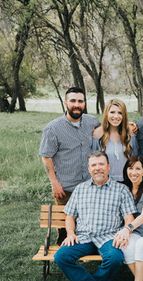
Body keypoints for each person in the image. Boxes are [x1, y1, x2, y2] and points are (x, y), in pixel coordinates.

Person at [54, 151, 137, 281]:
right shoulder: (80, 189)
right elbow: (70, 216)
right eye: (94, 165)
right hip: (83, 237)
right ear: (89, 168)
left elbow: (129, 217)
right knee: (61, 256)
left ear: (108, 167)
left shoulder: (120, 190)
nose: (97, 168)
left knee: (115, 258)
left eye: (101, 164)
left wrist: (126, 231)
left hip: (108, 236)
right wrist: (71, 233)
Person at [39, 87, 100, 244]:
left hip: (89, 186)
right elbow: (46, 157)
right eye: (73, 101)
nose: (76, 104)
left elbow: (112, 129)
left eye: (80, 101)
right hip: (65, 188)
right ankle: (64, 252)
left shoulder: (92, 122)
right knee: (65, 228)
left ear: (84, 103)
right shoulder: (53, 128)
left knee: (88, 224)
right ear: (66, 102)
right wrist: (54, 183)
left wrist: (131, 126)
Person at [93, 99, 138, 182]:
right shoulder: (98, 136)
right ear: (106, 113)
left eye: (120, 113)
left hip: (127, 181)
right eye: (112, 112)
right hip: (105, 182)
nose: (116, 116)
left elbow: (135, 160)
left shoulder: (130, 135)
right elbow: (94, 162)